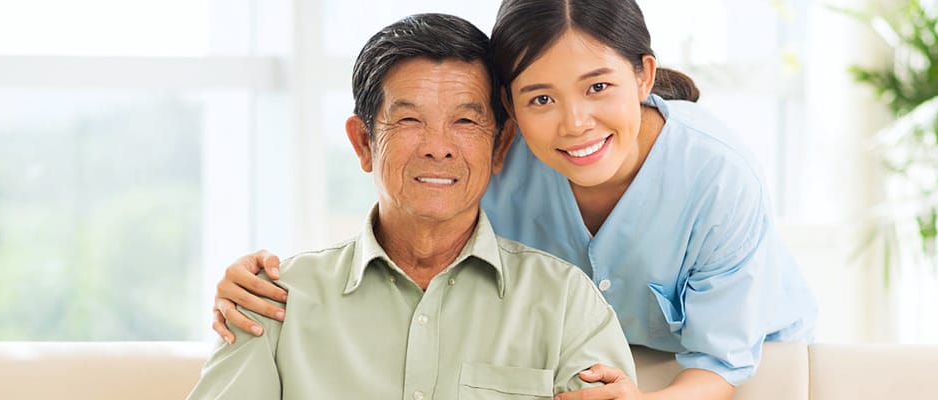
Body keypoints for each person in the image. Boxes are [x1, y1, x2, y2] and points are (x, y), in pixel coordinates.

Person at [214, 1, 818, 399]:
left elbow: (720, 360)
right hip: (580, 347)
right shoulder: (499, 154)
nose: (574, 123)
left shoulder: (715, 174)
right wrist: (260, 280)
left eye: (599, 87)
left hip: (733, 361)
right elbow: (409, 209)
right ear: (511, 113)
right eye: (540, 98)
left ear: (643, 76)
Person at [185, 13, 636, 400]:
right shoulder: (272, 301)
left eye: (464, 120)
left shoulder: (565, 304)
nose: (438, 148)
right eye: (408, 120)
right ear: (364, 143)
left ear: (500, 145)